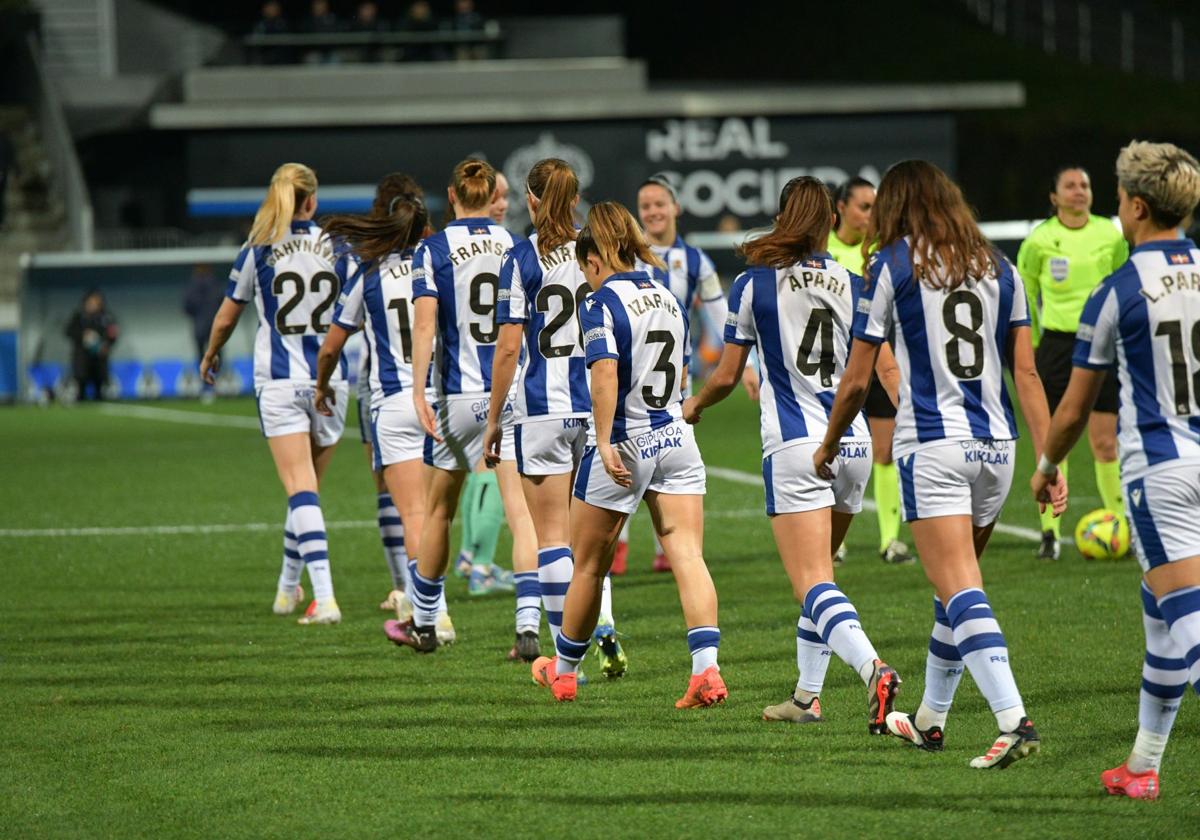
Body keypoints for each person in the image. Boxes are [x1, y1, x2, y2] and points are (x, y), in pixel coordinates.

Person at [816, 159, 1066, 768]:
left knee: (958, 584)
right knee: (953, 586)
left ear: (899, 206)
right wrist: (1049, 458)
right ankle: (930, 719)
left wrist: (828, 443)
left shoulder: (893, 265)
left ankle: (1014, 720)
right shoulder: (1000, 266)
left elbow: (856, 379)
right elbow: (1026, 373)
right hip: (999, 450)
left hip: (934, 446)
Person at [683, 176, 902, 731]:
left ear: (783, 218)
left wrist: (694, 405)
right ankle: (806, 699)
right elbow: (882, 369)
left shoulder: (754, 284)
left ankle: (873, 669)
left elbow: (728, 374)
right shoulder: (856, 283)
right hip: (850, 442)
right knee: (821, 575)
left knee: (812, 582)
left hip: (798, 446)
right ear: (831, 221)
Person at [1030, 141, 1200, 800]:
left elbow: (1073, 409)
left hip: (1162, 475)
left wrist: (1047, 465)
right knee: (1161, 619)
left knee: (1188, 626)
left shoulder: (1118, 289)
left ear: (1135, 205)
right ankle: (1142, 766)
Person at [530, 202, 727, 708]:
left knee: (589, 567)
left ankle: (565, 672)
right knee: (687, 553)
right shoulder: (666, 294)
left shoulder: (599, 304)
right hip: (675, 438)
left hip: (626, 441)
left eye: (583, 267)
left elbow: (605, 378)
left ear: (595, 258)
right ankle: (707, 671)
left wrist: (602, 443)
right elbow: (682, 374)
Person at [387, 158, 539, 653]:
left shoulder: (432, 249)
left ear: (452, 197)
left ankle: (426, 624)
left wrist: (417, 391)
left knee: (437, 512)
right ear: (491, 195)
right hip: (508, 394)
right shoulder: (516, 247)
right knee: (522, 514)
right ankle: (527, 628)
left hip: (455, 396)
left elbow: (425, 326)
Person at [484, 158, 627, 674]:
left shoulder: (519, 257)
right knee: (591, 538)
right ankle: (603, 621)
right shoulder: (597, 253)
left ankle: (570, 664)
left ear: (532, 198)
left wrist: (495, 417)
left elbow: (506, 350)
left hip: (541, 412)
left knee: (551, 540)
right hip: (595, 410)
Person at [201, 162, 346, 625]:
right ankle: (287, 590)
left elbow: (226, 317)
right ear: (312, 201)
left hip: (282, 382)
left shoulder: (258, 250)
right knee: (306, 490)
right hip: (330, 381)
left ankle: (324, 598)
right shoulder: (337, 247)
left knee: (300, 489)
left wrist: (211, 353)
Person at [610, 173, 752, 575]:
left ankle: (664, 548)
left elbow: (721, 316)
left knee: (666, 465)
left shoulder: (694, 260)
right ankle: (616, 546)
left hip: (674, 384)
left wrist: (748, 365)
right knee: (623, 459)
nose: (653, 211)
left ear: (676, 208)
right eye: (646, 206)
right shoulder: (624, 256)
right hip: (625, 381)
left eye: (659, 203)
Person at [1018, 165, 1130, 560]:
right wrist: (1030, 346)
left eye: (1085, 184)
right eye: (1070, 185)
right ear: (1054, 196)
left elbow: (1124, 285)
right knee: (1054, 440)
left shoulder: (1110, 234)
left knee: (1105, 441)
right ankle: (1050, 533)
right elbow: (1026, 295)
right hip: (1059, 347)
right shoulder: (1040, 241)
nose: (1079, 190)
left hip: (1104, 343)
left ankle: (1120, 529)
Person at [827, 177, 910, 565]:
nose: (870, 215)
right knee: (831, 446)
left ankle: (890, 540)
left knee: (885, 450)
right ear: (841, 208)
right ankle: (834, 538)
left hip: (880, 355)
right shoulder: (822, 248)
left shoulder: (881, 252)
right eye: (863, 206)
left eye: (875, 207)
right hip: (835, 365)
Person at [65, 289, 119, 401]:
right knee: (81, 376)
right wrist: (83, 335)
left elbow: (113, 333)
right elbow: (69, 331)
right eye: (91, 302)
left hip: (99, 354)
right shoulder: (79, 316)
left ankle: (99, 396)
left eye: (96, 303)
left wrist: (106, 345)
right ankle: (81, 396)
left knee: (99, 377)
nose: (93, 305)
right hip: (82, 354)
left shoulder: (106, 317)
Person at [183, 265, 224, 401]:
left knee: (202, 356)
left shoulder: (192, 285)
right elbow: (224, 304)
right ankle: (216, 383)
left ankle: (205, 386)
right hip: (215, 327)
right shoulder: (215, 284)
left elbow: (187, 306)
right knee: (217, 355)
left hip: (199, 326)